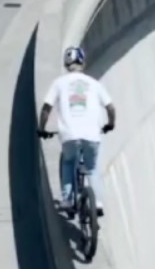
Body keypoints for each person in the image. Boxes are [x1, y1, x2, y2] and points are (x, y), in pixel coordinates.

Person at [38, 45, 115, 216]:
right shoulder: (94, 84)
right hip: (92, 135)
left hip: (69, 135)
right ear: (83, 63)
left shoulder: (58, 83)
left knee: (68, 161)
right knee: (92, 167)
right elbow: (110, 108)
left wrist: (41, 128)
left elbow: (46, 108)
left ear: (66, 65)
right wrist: (110, 124)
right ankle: (98, 204)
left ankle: (68, 199)